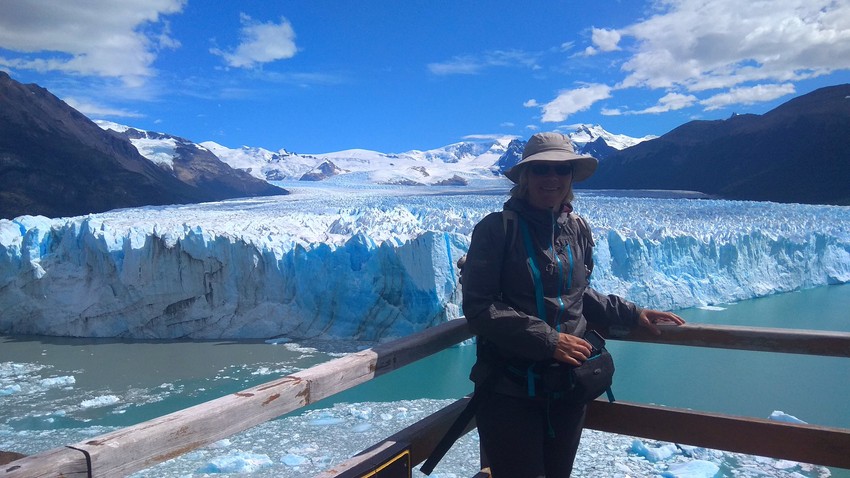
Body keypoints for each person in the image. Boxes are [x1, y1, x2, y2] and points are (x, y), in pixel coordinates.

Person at [461, 132, 685, 477]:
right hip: (510, 390)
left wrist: (633, 313)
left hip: (567, 387)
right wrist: (548, 341)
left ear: (570, 178)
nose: (551, 178)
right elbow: (479, 307)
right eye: (541, 170)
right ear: (524, 176)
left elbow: (578, 295)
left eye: (561, 170)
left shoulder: (576, 229)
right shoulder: (496, 229)